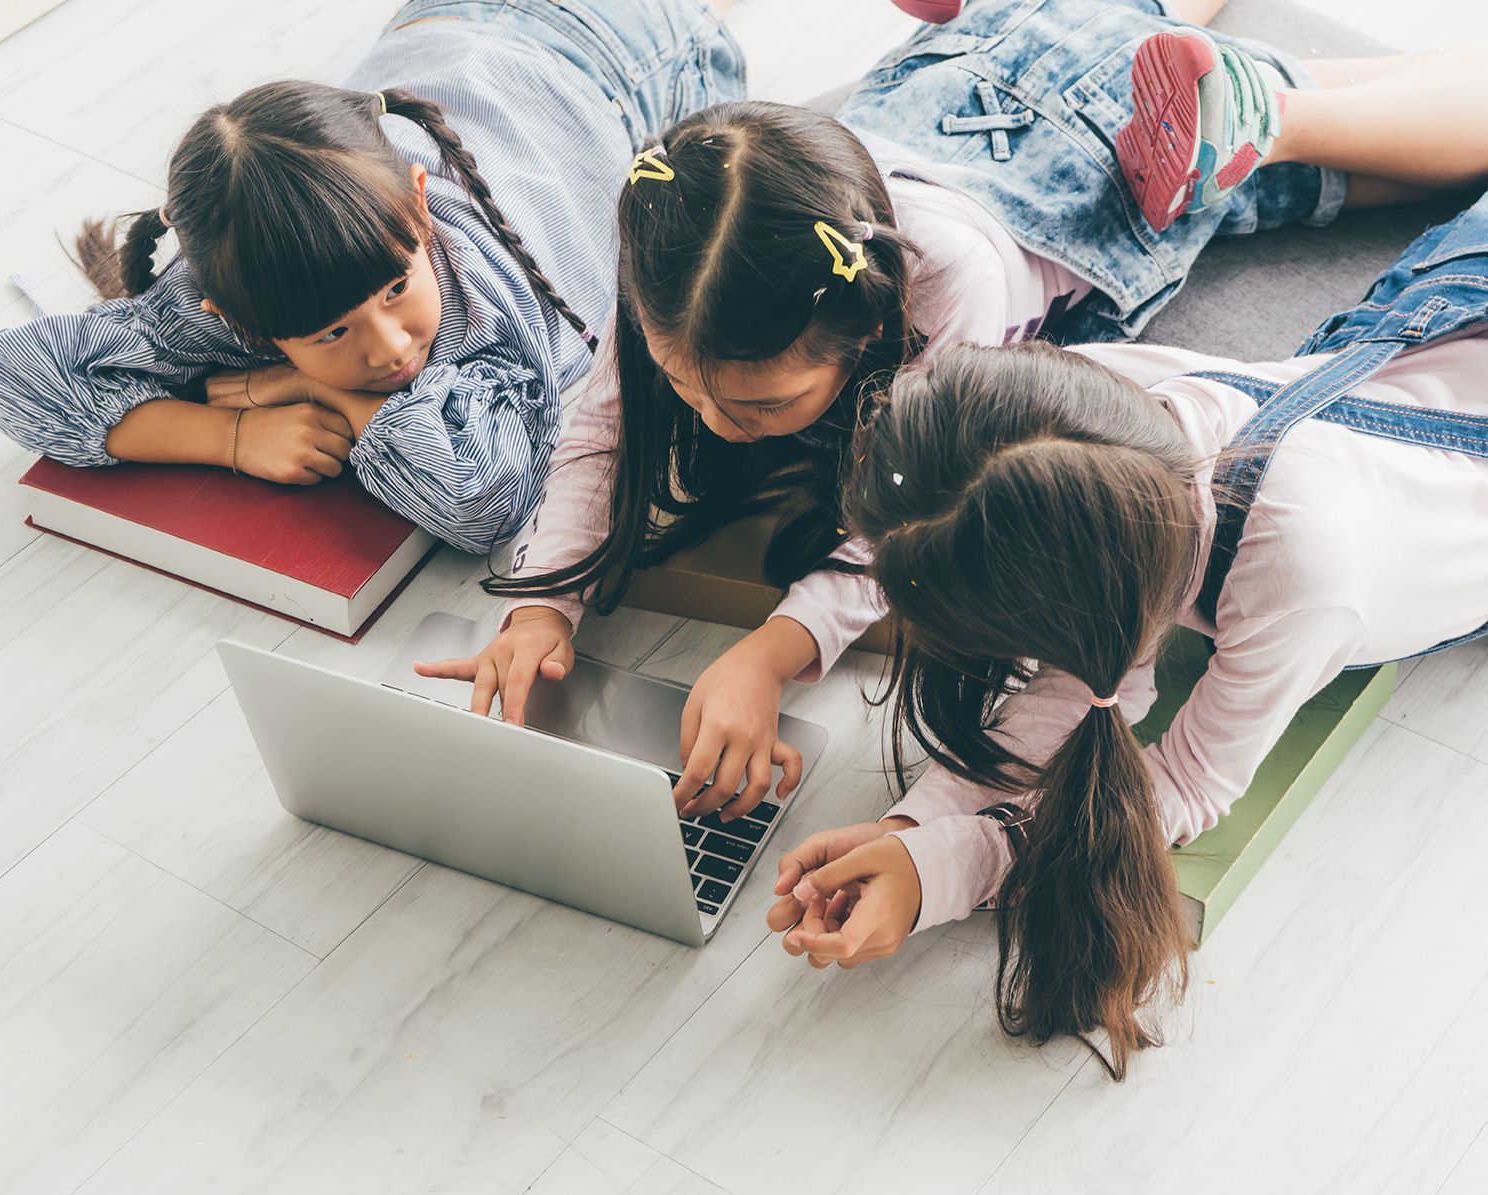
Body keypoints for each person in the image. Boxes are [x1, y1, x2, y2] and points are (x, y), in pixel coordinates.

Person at [419, 0, 1488, 819]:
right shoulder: (682, 256)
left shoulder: (953, 288)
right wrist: (538, 605)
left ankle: (1265, 113)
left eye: (758, 402)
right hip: (963, 79)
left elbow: (900, 510)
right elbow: (599, 428)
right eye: (681, 379)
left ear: (866, 331)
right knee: (1107, 19)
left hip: (1099, 157)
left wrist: (774, 651)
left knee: (1360, 154)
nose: (705, 415)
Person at [769, 192, 1488, 1079]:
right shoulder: (1085, 431)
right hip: (1430, 318)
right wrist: (914, 830)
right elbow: (1079, 686)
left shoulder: (1305, 574)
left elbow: (1183, 782)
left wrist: (955, 865)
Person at [0, 0, 743, 554]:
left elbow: (483, 497)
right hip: (455, 40)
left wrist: (314, 384)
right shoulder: (240, 286)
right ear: (238, 322)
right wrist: (231, 435)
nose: (390, 349)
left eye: (396, 290)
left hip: (635, 55)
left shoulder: (480, 300)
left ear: (420, 210)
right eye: (331, 334)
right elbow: (17, 375)